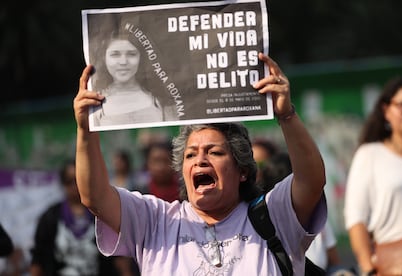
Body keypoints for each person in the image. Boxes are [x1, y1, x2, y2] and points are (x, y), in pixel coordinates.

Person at [73, 52, 327, 274]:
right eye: (191, 154)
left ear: (242, 170)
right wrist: (85, 130)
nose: (200, 160)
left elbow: (312, 181)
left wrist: (286, 115)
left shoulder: (274, 215)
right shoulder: (155, 221)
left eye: (214, 152)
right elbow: (95, 198)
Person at [344, 77, 402, 275]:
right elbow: (356, 219)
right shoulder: (370, 155)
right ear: (386, 110)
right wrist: (368, 268)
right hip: (392, 265)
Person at [30, 159, 118, 276]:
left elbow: (118, 257)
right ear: (63, 183)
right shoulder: (50, 217)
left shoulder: (102, 216)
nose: (74, 185)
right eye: (69, 181)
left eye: (78, 179)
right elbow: (37, 258)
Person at [91, 31, 167, 127]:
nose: (123, 62)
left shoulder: (160, 101)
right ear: (104, 58)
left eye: (131, 54)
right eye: (115, 54)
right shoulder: (95, 104)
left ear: (141, 57)